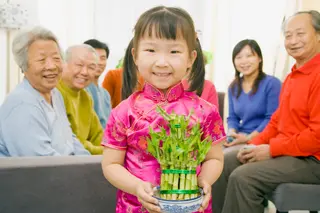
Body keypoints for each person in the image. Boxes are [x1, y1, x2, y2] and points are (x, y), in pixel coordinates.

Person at [101, 6, 226, 213]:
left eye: (174, 51)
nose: (161, 62)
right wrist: (136, 186)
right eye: (151, 50)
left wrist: (204, 180)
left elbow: (214, 157)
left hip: (190, 206)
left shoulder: (205, 111)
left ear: (191, 59)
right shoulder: (124, 112)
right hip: (137, 207)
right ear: (135, 55)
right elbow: (111, 165)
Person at [211, 10, 320, 213]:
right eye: (288, 35)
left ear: (318, 34)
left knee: (243, 177)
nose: (293, 40)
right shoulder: (292, 76)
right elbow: (276, 121)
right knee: (224, 162)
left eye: (300, 33)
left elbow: (316, 136)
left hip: (313, 159)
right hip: (292, 152)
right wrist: (253, 145)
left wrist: (271, 149)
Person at [0, 26, 90, 156]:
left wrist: (89, 163)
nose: (51, 66)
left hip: (62, 170)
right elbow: (40, 164)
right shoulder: (22, 104)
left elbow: (68, 140)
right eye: (42, 60)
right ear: (23, 66)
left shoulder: (55, 94)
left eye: (56, 58)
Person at [225, 39, 281, 147]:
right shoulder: (233, 87)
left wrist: (247, 138)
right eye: (239, 57)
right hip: (241, 136)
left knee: (225, 160)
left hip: (263, 139)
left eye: (249, 56)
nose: (244, 61)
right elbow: (233, 118)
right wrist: (232, 133)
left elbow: (272, 119)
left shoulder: (272, 83)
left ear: (259, 58)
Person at [57, 44, 104, 155]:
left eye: (91, 67)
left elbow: (98, 135)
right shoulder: (55, 93)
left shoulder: (85, 96)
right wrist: (104, 151)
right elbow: (72, 145)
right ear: (64, 64)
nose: (84, 72)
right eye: (79, 65)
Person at [83, 39, 112, 128]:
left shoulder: (105, 94)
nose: (99, 62)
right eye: (95, 57)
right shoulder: (81, 90)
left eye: (103, 58)